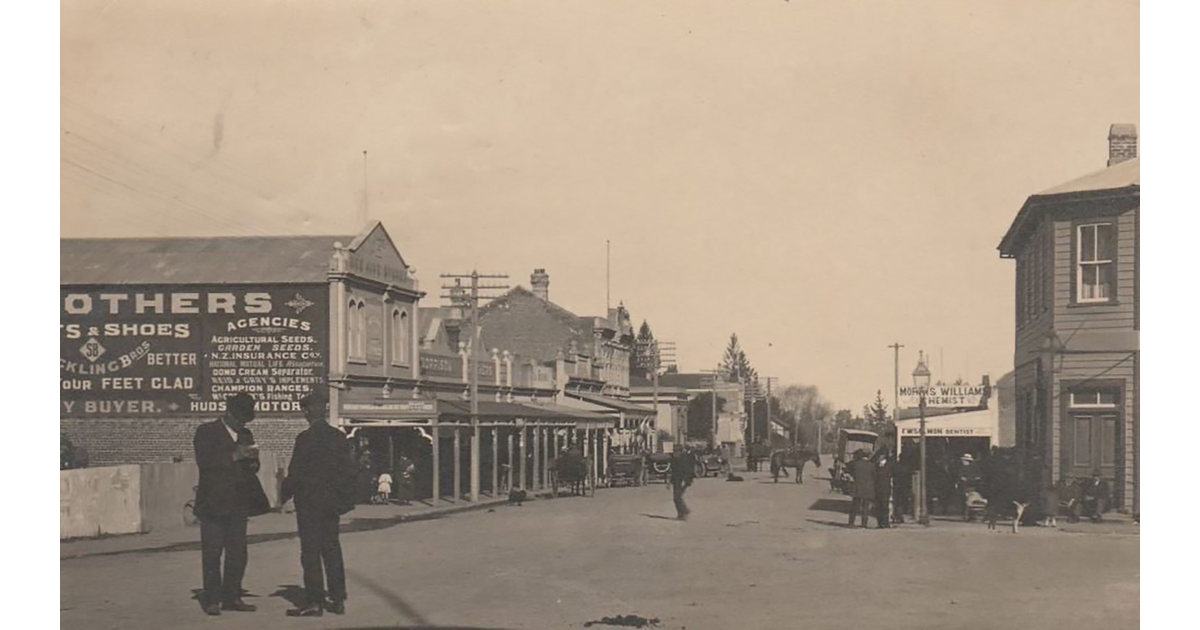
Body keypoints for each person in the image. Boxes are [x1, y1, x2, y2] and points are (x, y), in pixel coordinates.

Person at [193, 392, 271, 616]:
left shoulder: (246, 433)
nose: (242, 424)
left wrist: (253, 462)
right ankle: (212, 599)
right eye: (239, 419)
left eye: (246, 419)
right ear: (228, 413)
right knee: (212, 553)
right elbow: (204, 462)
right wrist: (234, 456)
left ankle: (232, 596)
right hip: (213, 504)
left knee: (238, 553)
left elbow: (251, 467)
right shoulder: (206, 432)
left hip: (238, 503)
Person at [281, 391, 356, 617]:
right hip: (331, 504)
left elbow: (295, 473)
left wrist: (282, 496)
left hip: (310, 505)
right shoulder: (338, 437)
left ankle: (314, 602)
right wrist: (342, 500)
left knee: (311, 552)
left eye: (304, 410)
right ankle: (338, 598)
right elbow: (348, 471)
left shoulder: (305, 439)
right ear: (323, 410)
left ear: (306, 412)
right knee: (332, 549)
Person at [848, 449, 876, 528]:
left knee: (855, 506)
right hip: (868, 488)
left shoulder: (855, 464)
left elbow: (850, 472)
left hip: (858, 487)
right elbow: (875, 476)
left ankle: (851, 522)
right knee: (866, 507)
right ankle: (864, 524)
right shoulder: (872, 465)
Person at [669, 446, 696, 520]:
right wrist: (669, 482)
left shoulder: (684, 459)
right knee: (677, 497)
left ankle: (683, 513)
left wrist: (686, 481)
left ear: (680, 452)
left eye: (676, 451)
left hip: (682, 480)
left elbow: (688, 470)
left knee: (677, 497)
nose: (674, 453)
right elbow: (673, 471)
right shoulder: (674, 459)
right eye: (674, 451)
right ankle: (683, 512)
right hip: (676, 480)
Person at [872, 447, 894, 528]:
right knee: (878, 506)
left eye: (880, 455)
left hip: (885, 488)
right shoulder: (876, 465)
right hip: (878, 488)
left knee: (884, 506)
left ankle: (885, 522)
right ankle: (880, 523)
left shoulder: (889, 465)